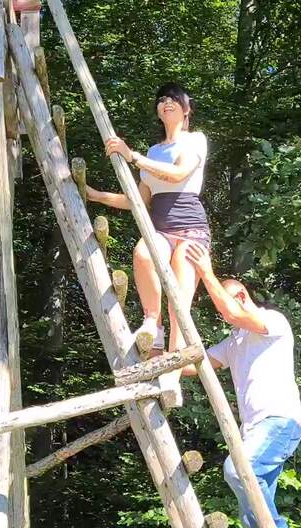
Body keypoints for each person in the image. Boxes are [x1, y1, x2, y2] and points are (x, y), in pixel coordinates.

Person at [182, 243, 301, 528]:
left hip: (279, 420)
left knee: (239, 470)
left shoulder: (271, 322)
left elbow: (236, 315)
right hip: (255, 431)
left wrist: (205, 272)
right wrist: (157, 357)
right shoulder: (233, 342)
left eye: (225, 297)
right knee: (254, 517)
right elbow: (196, 365)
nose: (222, 307)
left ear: (242, 296)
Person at [85, 82, 211, 353]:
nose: (167, 101)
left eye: (174, 98)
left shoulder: (195, 140)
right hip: (161, 228)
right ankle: (152, 324)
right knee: (143, 254)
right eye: (162, 98)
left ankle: (174, 375)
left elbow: (178, 174)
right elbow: (139, 201)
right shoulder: (154, 151)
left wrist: (132, 156)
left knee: (178, 303)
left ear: (187, 109)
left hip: (190, 228)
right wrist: (97, 196)